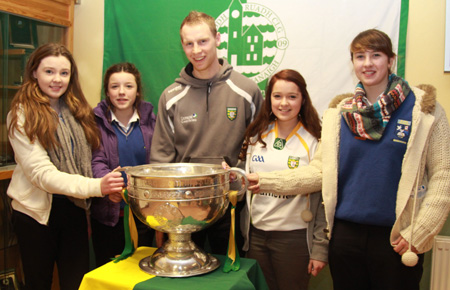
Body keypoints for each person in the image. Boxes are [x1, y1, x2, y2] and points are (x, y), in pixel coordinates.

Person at [246, 29, 450, 290]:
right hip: (345, 238)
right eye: (359, 56)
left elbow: (443, 174)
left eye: (376, 55)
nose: (367, 63)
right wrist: (263, 180)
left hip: (397, 238)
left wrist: (421, 231)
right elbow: (319, 172)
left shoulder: (424, 110)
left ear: (390, 61)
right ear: (352, 63)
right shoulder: (339, 114)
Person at [6, 43, 124, 290]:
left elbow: (88, 159)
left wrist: (105, 182)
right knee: (39, 284)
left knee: (77, 282)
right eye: (49, 72)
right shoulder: (22, 113)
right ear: (34, 72)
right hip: (36, 214)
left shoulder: (77, 110)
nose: (57, 79)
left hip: (75, 208)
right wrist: (97, 186)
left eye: (64, 73)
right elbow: (42, 174)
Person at [150, 11, 263, 255]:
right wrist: (162, 206)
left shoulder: (247, 90)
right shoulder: (170, 97)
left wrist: (237, 178)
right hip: (184, 207)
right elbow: (162, 157)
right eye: (189, 43)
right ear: (182, 45)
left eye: (203, 41)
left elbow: (258, 147)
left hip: (232, 203)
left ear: (217, 38)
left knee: (230, 272)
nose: (196, 50)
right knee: (186, 275)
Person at [239, 69, 327, 290]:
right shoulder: (256, 135)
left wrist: (320, 248)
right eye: (277, 96)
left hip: (295, 240)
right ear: (268, 99)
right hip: (256, 237)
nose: (284, 103)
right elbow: (244, 185)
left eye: (292, 96)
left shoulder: (316, 140)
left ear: (303, 99)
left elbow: (325, 200)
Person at [90, 62, 156, 267]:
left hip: (144, 215)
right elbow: (95, 160)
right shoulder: (94, 122)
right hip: (109, 217)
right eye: (114, 86)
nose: (121, 92)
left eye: (128, 86)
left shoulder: (152, 121)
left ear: (137, 91)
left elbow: (159, 163)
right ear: (107, 91)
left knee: (141, 273)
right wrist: (111, 185)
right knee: (110, 274)